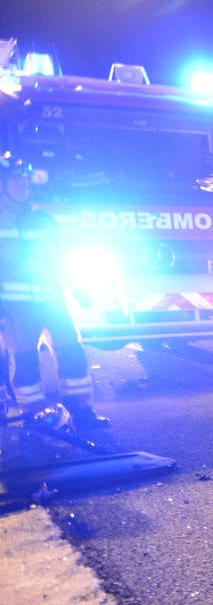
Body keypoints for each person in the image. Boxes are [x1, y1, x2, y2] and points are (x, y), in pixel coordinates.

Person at [0, 156, 108, 430]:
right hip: (15, 308)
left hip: (53, 302)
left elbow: (62, 257)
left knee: (72, 353)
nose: (22, 187)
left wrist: (80, 287)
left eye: (25, 182)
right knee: (24, 363)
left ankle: (82, 412)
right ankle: (35, 417)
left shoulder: (44, 220)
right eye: (15, 181)